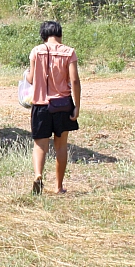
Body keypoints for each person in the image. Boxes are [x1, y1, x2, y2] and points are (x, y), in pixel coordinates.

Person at [25, 20, 80, 195]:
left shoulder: (36, 51)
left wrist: (26, 75)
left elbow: (32, 79)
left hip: (40, 105)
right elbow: (75, 81)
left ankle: (38, 175)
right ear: (60, 34)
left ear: (43, 35)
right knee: (61, 146)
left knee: (40, 145)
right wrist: (77, 105)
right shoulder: (69, 52)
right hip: (63, 105)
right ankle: (58, 187)